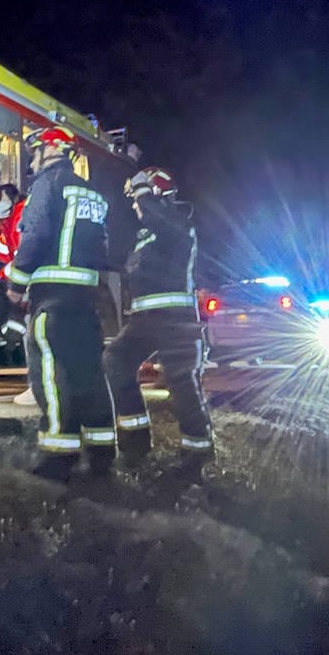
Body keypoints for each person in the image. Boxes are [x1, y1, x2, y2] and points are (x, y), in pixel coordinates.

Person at [5, 125, 116, 480]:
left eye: (35, 152)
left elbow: (34, 236)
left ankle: (58, 455)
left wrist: (16, 285)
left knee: (51, 375)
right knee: (89, 373)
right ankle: (101, 451)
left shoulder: (46, 185)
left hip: (51, 297)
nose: (33, 160)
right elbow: (102, 248)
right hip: (85, 298)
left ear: (48, 151)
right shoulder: (92, 194)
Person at [101, 166, 215, 472]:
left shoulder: (178, 224)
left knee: (182, 385)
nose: (136, 207)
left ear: (156, 195)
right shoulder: (146, 235)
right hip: (144, 320)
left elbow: (160, 221)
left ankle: (197, 456)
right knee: (115, 360)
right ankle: (135, 442)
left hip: (176, 321)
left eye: (139, 200)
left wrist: (143, 190)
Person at [0, 183, 29, 364]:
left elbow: (22, 257)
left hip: (26, 280)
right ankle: (9, 341)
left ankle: (12, 341)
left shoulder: (22, 214)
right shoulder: (8, 223)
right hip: (18, 278)